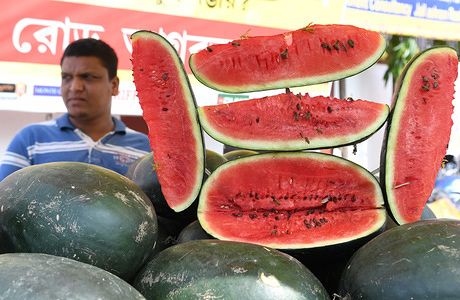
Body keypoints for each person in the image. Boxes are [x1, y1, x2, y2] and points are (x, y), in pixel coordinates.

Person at [0, 38, 151, 181]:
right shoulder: (30, 140)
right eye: (66, 77)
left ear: (114, 85)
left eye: (88, 77)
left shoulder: (145, 150)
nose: (74, 87)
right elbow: (5, 201)